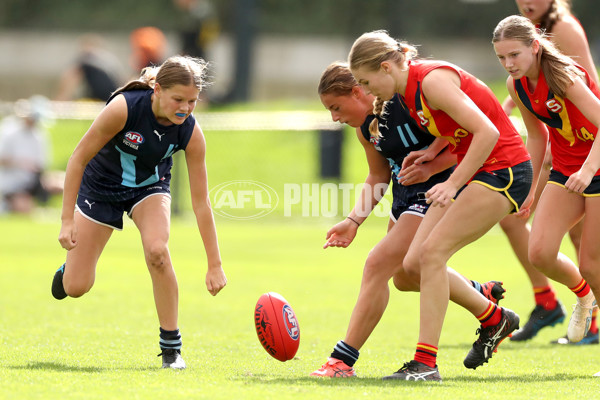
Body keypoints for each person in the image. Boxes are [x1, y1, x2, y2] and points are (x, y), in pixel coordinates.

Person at [347, 30, 534, 381]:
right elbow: (456, 128)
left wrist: (450, 183)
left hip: (504, 171)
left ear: (386, 67)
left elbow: (488, 132)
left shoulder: (429, 82)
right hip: (483, 170)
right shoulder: (411, 92)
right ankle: (494, 317)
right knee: (412, 266)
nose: (368, 91)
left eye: (366, 81)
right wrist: (432, 154)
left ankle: (425, 365)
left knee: (430, 255)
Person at [310, 62, 507, 379]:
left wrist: (433, 166)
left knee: (377, 264)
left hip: (435, 194)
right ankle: (485, 306)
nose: (334, 117)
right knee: (403, 277)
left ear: (358, 92)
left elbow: (463, 141)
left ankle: (341, 361)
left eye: (336, 107)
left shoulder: (404, 105)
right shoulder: (365, 128)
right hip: (404, 200)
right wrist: (353, 220)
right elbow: (378, 174)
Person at [51, 55, 227, 369]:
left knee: (157, 252)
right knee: (76, 288)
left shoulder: (190, 132)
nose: (185, 108)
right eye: (178, 99)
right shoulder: (124, 108)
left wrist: (214, 264)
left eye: (192, 101)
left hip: (149, 187)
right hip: (100, 187)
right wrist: (66, 220)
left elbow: (201, 203)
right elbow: (77, 159)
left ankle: (171, 348)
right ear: (157, 90)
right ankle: (68, 272)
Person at [493, 13, 599, 373]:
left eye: (515, 55)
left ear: (535, 48)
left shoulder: (565, 75)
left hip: (595, 168)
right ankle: (584, 298)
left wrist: (588, 170)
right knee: (539, 252)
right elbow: (537, 136)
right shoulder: (516, 84)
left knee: (592, 264)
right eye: (502, 58)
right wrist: (531, 189)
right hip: (568, 171)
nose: (509, 64)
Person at [0, 96, 53, 214]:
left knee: (61, 183)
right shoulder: (8, 130)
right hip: (12, 184)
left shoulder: (39, 136)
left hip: (32, 181)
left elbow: (42, 164)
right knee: (23, 207)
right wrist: (20, 163)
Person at [55, 34, 123, 102]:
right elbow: (120, 79)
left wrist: (62, 97)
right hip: (115, 95)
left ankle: (61, 101)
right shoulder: (108, 57)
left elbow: (70, 75)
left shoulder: (87, 56)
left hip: (104, 95)